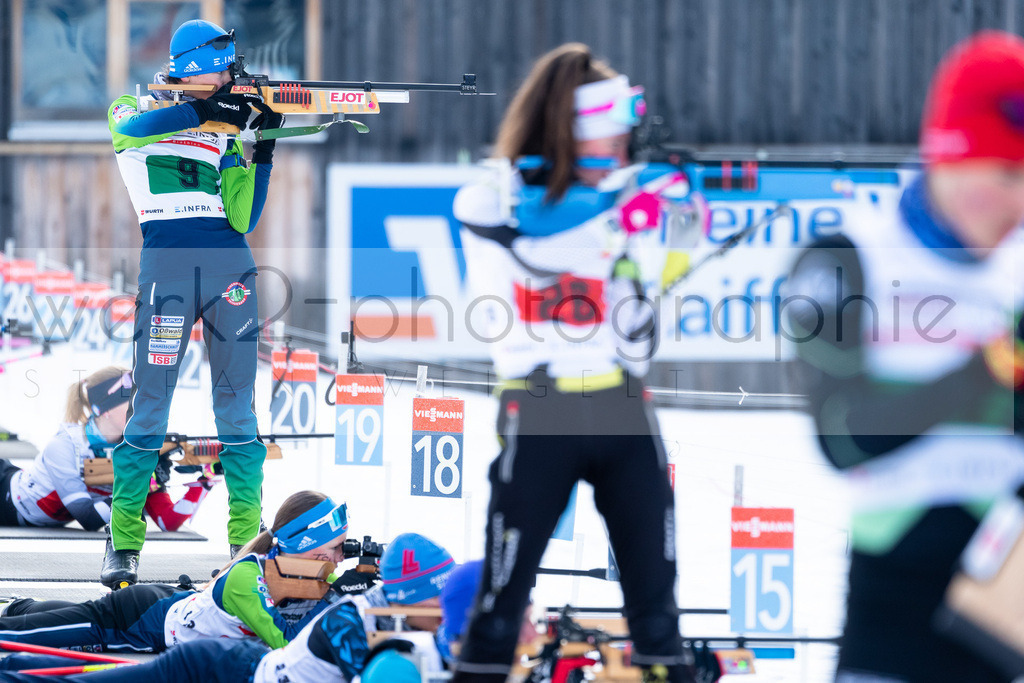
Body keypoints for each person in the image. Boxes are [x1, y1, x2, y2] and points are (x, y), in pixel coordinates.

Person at [451, 43, 701, 683]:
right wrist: (608, 218)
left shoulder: (621, 208)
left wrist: (656, 252)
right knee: (502, 603)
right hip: (538, 408)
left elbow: (638, 344)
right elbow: (518, 258)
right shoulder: (495, 199)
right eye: (616, 130)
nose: (626, 147)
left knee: (656, 607)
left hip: (621, 405)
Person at [785, 31, 1024, 682]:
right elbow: (843, 435)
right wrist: (989, 371)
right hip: (891, 611)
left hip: (1005, 611)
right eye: (1007, 174)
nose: (1019, 201)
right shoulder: (847, 256)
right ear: (952, 154)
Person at [103, 18, 283, 587]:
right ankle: (124, 545)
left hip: (230, 265)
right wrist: (209, 113)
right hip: (168, 268)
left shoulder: (222, 129)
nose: (233, 70)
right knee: (150, 404)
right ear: (192, 66)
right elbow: (134, 133)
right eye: (223, 61)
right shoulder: (130, 109)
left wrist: (264, 145)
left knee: (237, 406)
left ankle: (245, 546)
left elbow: (242, 218)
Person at [0, 532, 455, 683]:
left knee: (39, 635)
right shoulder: (352, 619)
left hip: (180, 630)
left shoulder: (376, 612)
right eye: (328, 554)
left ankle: (16, 641)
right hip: (206, 662)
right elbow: (284, 633)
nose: (334, 565)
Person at [0, 491, 349, 654]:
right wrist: (336, 598)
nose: (340, 559)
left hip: (167, 605)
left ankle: (19, 605)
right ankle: (15, 614)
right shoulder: (248, 576)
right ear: (304, 544)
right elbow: (284, 642)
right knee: (17, 637)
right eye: (334, 549)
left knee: (62, 617)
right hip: (137, 619)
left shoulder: (317, 577)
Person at [0, 366, 216, 532]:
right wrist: (136, 484)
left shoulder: (136, 448)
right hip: (6, 499)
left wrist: (204, 481)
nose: (140, 410)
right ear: (104, 410)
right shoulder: (65, 446)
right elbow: (89, 519)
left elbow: (166, 521)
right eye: (131, 403)